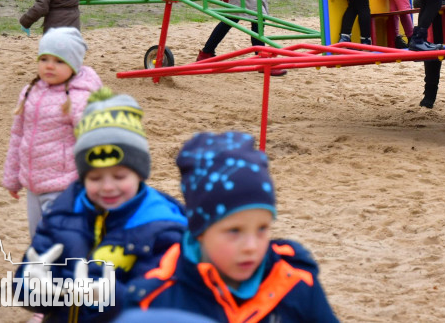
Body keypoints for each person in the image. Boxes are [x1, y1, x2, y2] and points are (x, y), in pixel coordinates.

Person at [131, 131, 340, 322]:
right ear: (200, 231)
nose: (251, 246)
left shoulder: (296, 283)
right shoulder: (156, 297)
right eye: (234, 231)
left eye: (262, 229)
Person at [17, 88, 186, 322]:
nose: (107, 187)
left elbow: (166, 305)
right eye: (95, 178)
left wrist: (113, 298)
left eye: (119, 177)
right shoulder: (63, 213)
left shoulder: (163, 227)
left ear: (140, 173)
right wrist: (32, 286)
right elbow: (26, 289)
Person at [2, 27, 102, 237]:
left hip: (65, 185)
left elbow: (92, 143)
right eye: (44, 58)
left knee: (59, 240)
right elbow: (18, 136)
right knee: (38, 238)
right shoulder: (31, 91)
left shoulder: (78, 99)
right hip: (33, 183)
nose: (49, 65)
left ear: (74, 65)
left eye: (59, 61)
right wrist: (13, 178)